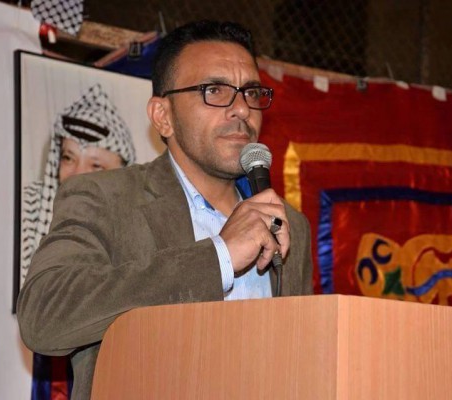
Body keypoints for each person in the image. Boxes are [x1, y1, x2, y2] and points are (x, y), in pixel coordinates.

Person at [17, 20, 313, 399]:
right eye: (214, 90)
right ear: (163, 116)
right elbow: (44, 315)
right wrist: (220, 257)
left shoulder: (289, 224)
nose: (242, 109)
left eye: (251, 92)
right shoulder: (105, 198)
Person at [19, 83, 136, 399]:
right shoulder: (29, 208)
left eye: (96, 165)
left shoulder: (134, 230)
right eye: (69, 158)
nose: (76, 176)